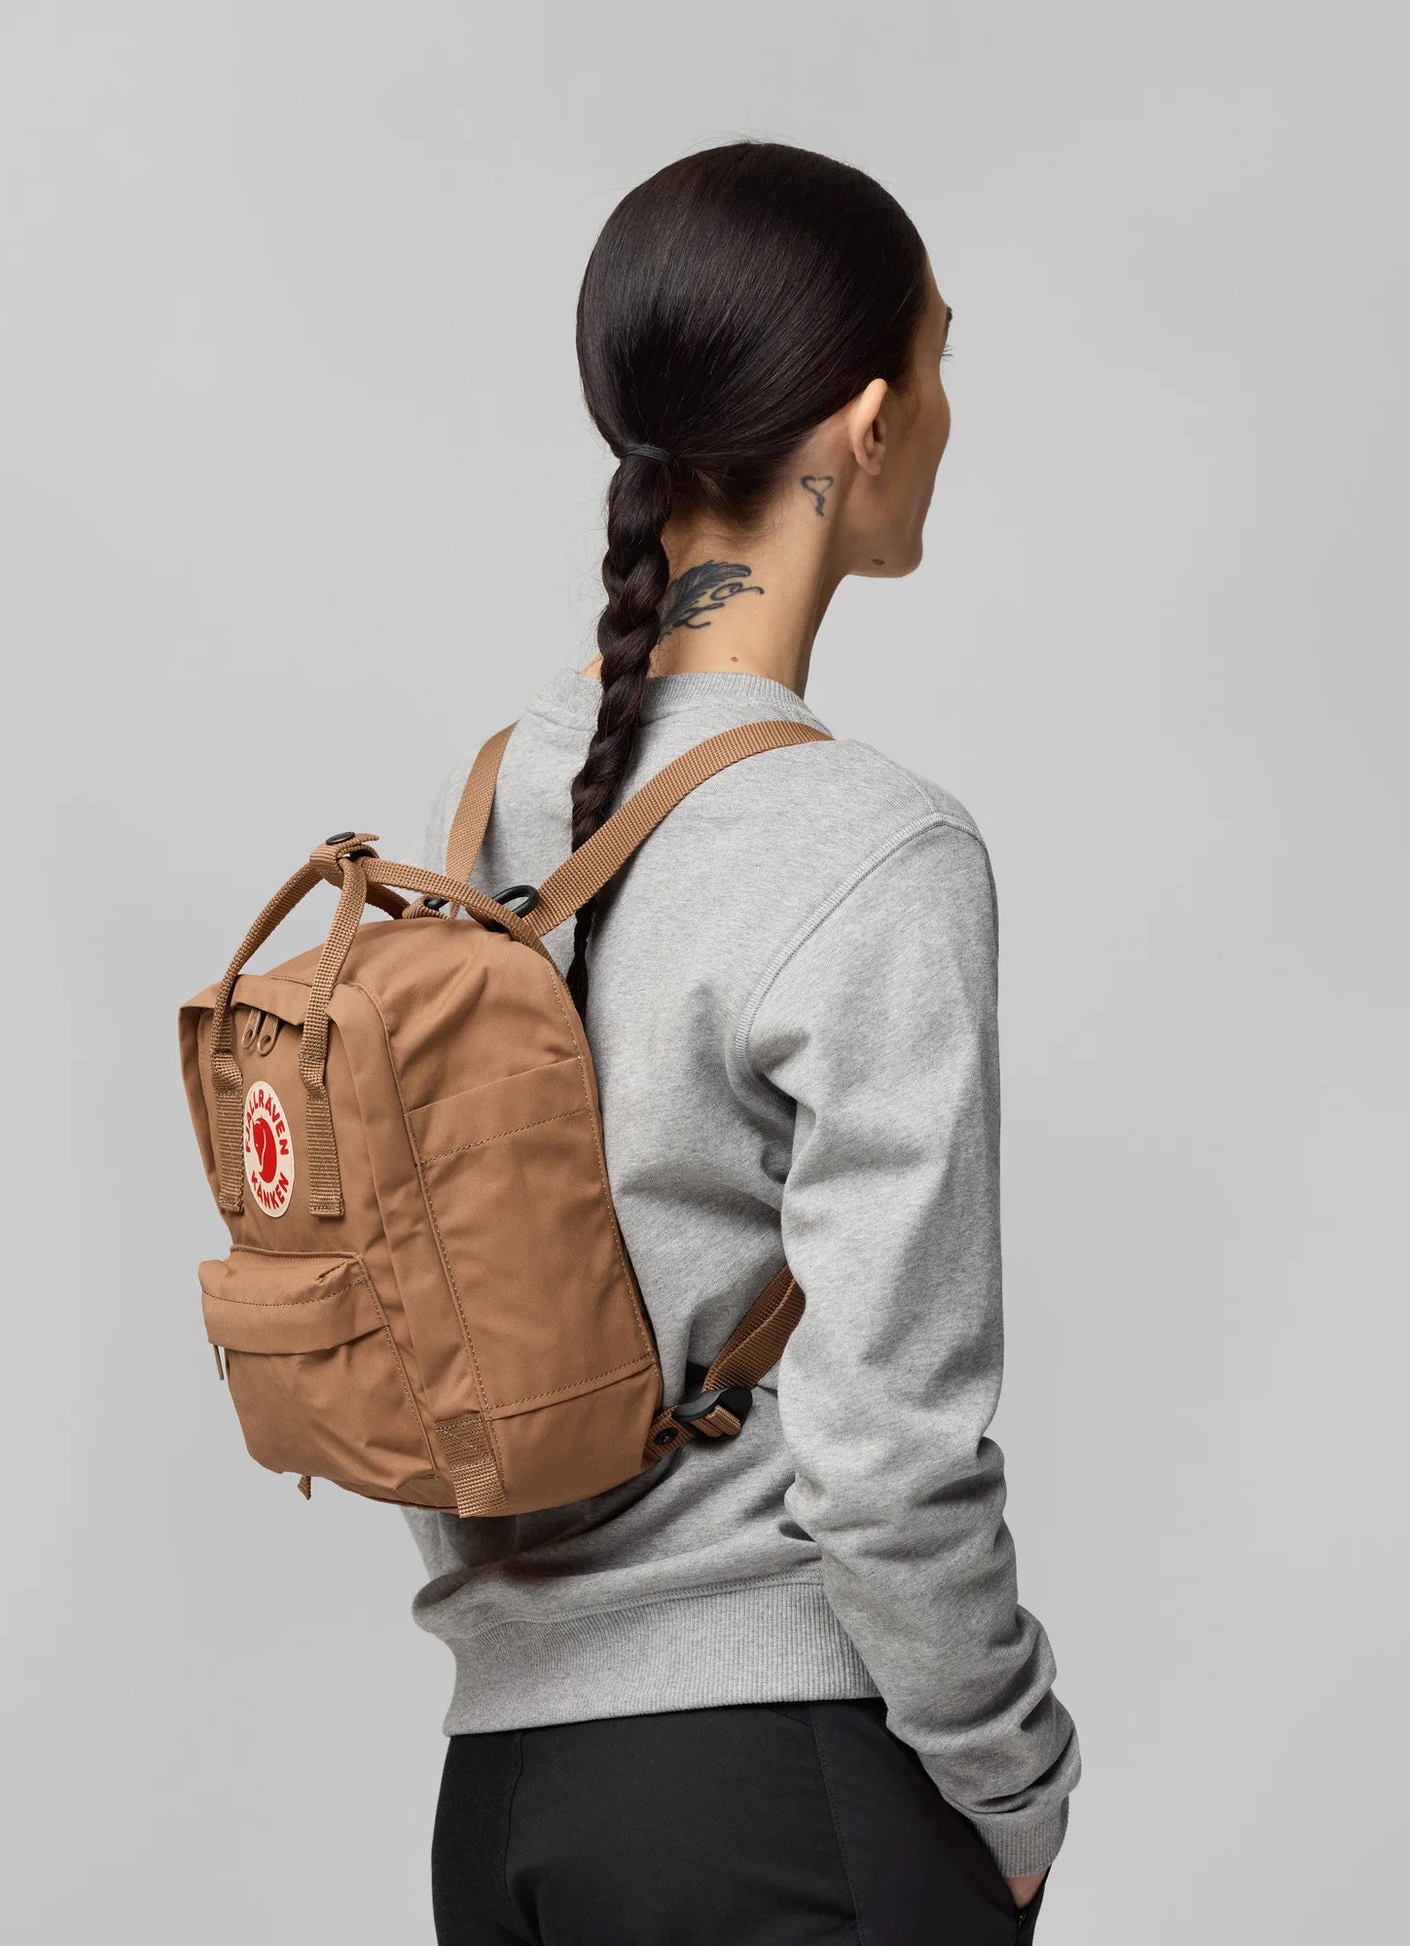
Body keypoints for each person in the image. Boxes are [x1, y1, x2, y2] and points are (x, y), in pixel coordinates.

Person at [411, 141, 1080, 1945]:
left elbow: (446, 1324)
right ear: (869, 420)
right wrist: (1010, 1779)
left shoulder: (499, 801)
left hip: (503, 1806)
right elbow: (884, 1455)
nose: (943, 412)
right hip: (780, 1788)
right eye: (938, 360)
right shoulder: (874, 846)